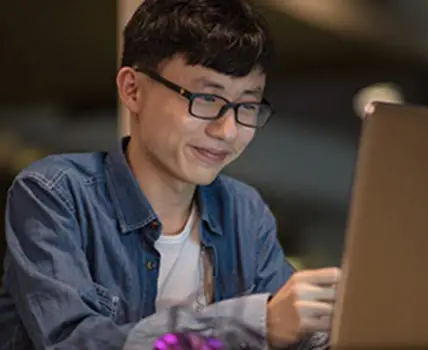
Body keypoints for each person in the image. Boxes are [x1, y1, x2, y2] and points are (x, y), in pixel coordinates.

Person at [0, 0, 340, 348]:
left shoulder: (244, 212)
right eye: (207, 98)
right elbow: (73, 342)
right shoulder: (56, 194)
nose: (227, 131)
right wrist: (256, 322)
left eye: (247, 107)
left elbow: (290, 329)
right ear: (132, 90)